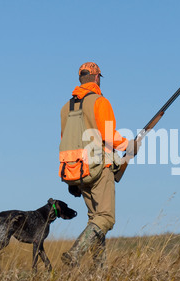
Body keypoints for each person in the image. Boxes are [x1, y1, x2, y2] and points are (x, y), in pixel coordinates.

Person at [59, 62, 138, 268]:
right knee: (106, 218)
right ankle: (75, 253)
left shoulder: (65, 108)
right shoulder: (100, 102)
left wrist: (72, 182)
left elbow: (64, 140)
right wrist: (129, 145)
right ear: (97, 78)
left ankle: (98, 271)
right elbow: (109, 136)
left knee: (95, 219)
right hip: (99, 169)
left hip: (77, 171)